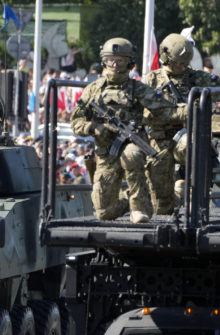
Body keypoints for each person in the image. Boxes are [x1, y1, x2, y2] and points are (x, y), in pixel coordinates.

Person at [70, 37, 186, 224]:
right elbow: (76, 121)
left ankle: (139, 207)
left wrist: (188, 110)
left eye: (120, 60)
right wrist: (94, 127)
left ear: (129, 62)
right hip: (105, 152)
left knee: (132, 155)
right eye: (110, 60)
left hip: (131, 143)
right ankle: (129, 203)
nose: (115, 64)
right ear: (104, 61)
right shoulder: (93, 90)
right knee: (103, 213)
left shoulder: (137, 89)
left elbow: (164, 109)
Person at [142, 33, 220, 215]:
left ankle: (194, 198)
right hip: (158, 141)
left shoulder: (196, 77)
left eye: (185, 63)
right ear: (167, 58)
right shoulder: (151, 80)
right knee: (161, 205)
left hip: (187, 136)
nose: (182, 67)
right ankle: (177, 195)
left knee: (195, 146)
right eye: (178, 63)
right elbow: (145, 114)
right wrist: (183, 111)